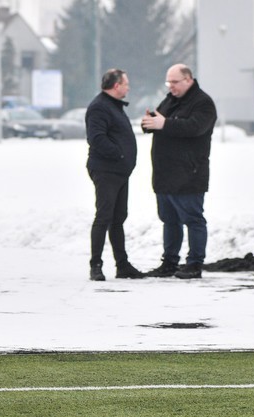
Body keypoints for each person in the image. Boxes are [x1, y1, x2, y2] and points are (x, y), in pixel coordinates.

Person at [142, 64, 216, 279]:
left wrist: (164, 123)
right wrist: (149, 123)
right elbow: (161, 122)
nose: (171, 86)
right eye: (168, 82)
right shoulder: (170, 100)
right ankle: (170, 263)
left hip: (188, 173)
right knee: (169, 220)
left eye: (174, 82)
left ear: (188, 80)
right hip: (165, 173)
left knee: (193, 219)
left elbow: (195, 127)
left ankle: (194, 263)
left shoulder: (203, 103)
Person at [85, 68, 144, 281]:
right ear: (117, 86)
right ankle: (96, 265)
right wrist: (119, 155)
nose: (128, 87)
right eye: (126, 84)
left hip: (119, 171)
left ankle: (122, 265)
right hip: (106, 170)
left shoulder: (114, 106)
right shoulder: (100, 107)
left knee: (118, 218)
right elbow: (97, 138)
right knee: (104, 217)